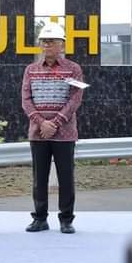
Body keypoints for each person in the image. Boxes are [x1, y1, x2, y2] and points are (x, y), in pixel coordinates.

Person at [21, 22, 84, 234]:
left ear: (62, 45)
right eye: (44, 41)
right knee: (39, 178)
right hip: (38, 133)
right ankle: (40, 218)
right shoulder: (31, 70)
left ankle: (66, 219)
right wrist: (41, 123)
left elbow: (75, 99)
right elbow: (26, 100)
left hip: (64, 134)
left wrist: (55, 123)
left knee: (66, 178)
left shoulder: (73, 69)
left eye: (51, 41)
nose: (46, 45)